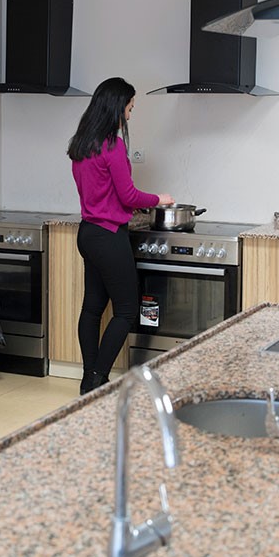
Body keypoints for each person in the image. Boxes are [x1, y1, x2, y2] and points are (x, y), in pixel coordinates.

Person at [68, 77, 174, 394]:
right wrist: (159, 199)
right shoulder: (112, 145)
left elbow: (102, 192)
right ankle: (98, 377)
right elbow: (128, 195)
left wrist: (129, 204)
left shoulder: (81, 144)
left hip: (88, 233)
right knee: (126, 311)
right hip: (109, 236)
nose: (129, 115)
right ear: (117, 107)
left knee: (92, 309)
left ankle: (89, 381)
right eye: (129, 108)